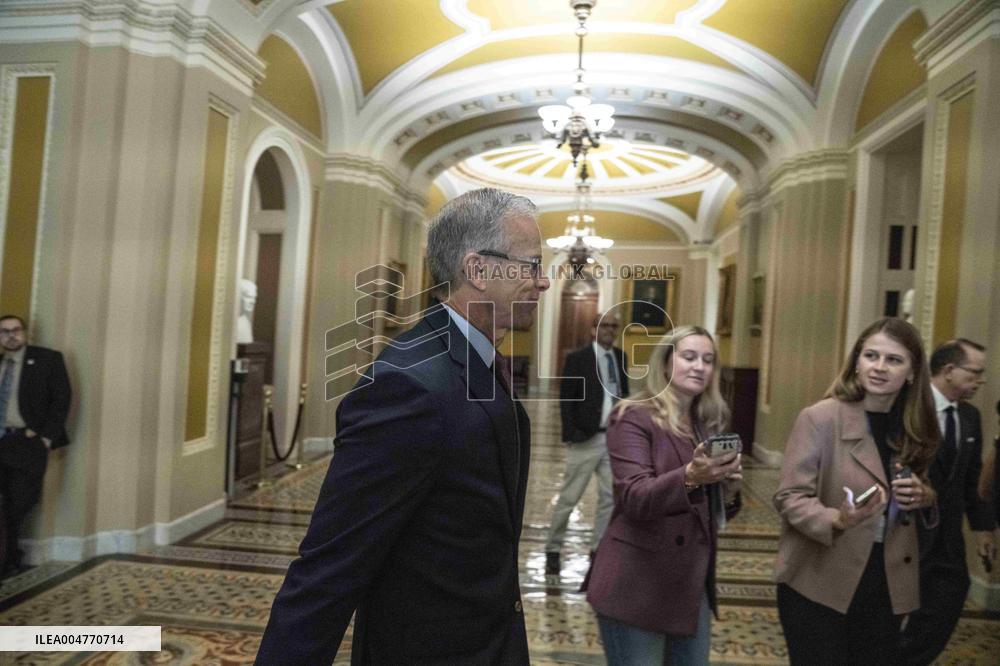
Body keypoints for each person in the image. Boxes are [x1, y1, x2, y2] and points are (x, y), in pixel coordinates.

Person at [255, 188, 550, 664]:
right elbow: (330, 567)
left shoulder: (475, 358)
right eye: (532, 266)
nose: (544, 282)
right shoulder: (408, 386)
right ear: (478, 270)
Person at [774, 317, 938, 665]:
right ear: (857, 362)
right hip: (819, 580)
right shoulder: (821, 418)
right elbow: (790, 497)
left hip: (887, 582)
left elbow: (930, 490)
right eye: (870, 356)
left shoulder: (917, 426)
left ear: (911, 372)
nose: (879, 367)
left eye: (893, 360)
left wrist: (925, 496)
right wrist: (837, 518)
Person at [585, 325, 741, 665]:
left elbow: (706, 511)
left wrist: (728, 491)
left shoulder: (705, 422)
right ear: (667, 363)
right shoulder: (633, 416)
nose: (699, 366)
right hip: (637, 584)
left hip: (689, 585)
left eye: (708, 360)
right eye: (689, 357)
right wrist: (689, 477)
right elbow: (635, 497)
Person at [900, 339, 996, 665]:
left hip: (947, 537)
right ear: (949, 370)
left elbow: (971, 481)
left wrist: (983, 528)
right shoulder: (907, 406)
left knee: (947, 600)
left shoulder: (970, 417)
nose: (979, 381)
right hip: (906, 532)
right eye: (975, 373)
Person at [545, 312, 630, 578]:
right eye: (604, 325)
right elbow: (566, 399)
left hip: (611, 438)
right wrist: (570, 433)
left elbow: (623, 395)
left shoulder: (620, 357)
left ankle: (598, 550)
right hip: (585, 439)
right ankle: (553, 550)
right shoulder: (578, 358)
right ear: (594, 329)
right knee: (570, 498)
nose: (609, 330)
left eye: (614, 326)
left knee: (609, 497)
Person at [0, 314, 72, 577]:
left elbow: (61, 398)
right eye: (4, 332)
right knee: (4, 506)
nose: (10, 336)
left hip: (27, 443)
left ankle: (9, 557)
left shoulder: (46, 359)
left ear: (25, 333)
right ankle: (9, 560)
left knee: (18, 503)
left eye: (15, 330)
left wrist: (45, 437)